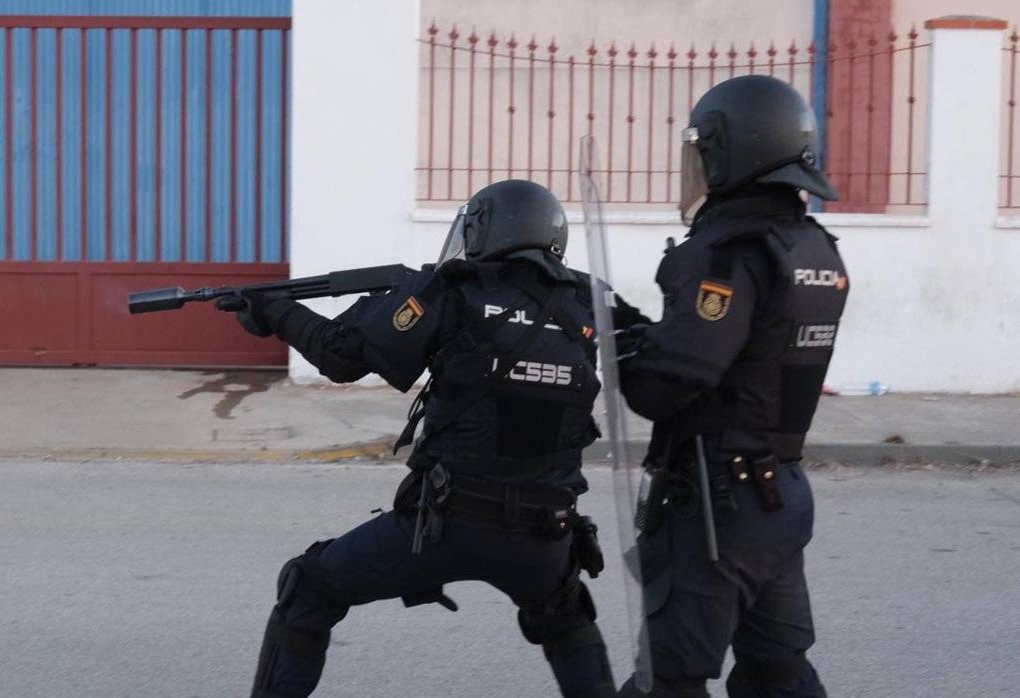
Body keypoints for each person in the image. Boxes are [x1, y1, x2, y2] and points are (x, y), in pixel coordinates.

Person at [220, 179, 618, 697]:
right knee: (567, 617)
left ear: (483, 230)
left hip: (446, 526)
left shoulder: (451, 291)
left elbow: (340, 356)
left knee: (309, 586)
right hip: (544, 535)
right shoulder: (590, 307)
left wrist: (275, 311)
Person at [612, 75, 848, 697]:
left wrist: (619, 350)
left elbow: (669, 382)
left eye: (704, 153)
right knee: (777, 671)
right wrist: (633, 326)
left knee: (670, 677)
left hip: (719, 505)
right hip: (779, 491)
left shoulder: (729, 252)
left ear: (731, 152)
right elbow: (747, 355)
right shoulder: (810, 248)